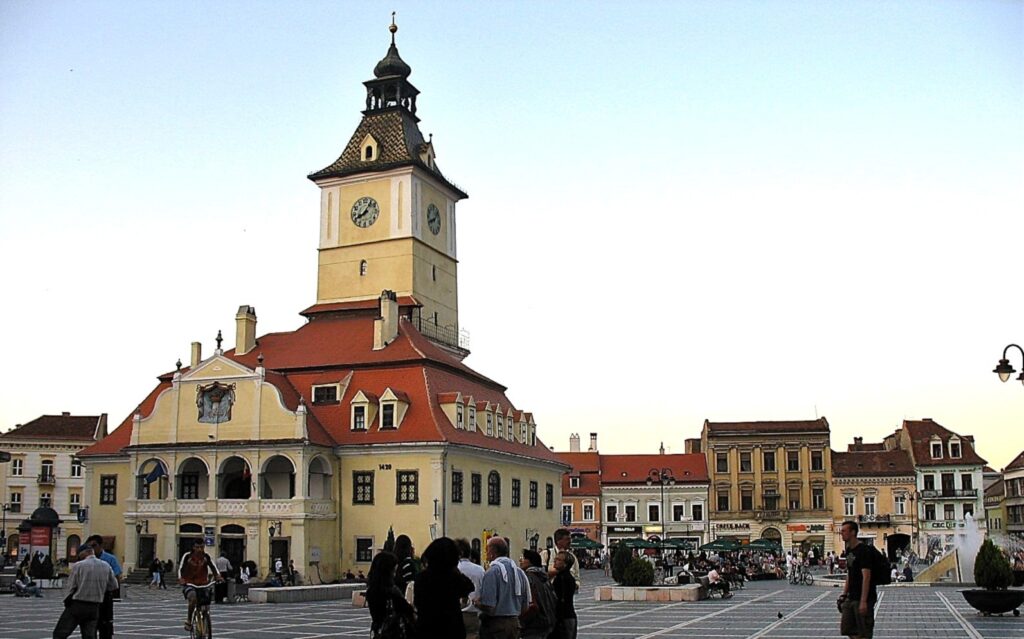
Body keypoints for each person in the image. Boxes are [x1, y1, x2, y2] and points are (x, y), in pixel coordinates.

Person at [413, 537, 475, 638]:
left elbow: (417, 601)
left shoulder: (422, 577)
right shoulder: (453, 577)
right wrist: (455, 570)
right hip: (451, 628)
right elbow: (469, 587)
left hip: (427, 628)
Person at [53, 545, 119, 639]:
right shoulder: (106, 565)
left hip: (78, 604)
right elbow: (113, 585)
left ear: (84, 553)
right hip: (95, 606)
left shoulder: (79, 565)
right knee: (89, 636)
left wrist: (67, 601)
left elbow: (71, 587)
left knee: (60, 633)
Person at [476, 536, 530, 639]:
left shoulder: (492, 572)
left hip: (496, 625)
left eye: (486, 550)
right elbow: (526, 605)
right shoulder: (519, 572)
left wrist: (477, 603)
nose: (485, 553)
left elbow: (489, 607)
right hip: (515, 623)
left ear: (492, 552)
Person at [838, 520, 876, 639]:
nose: (841, 533)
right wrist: (844, 594)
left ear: (853, 532)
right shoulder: (849, 550)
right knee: (847, 628)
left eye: (844, 531)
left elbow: (866, 577)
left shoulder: (864, 551)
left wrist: (864, 601)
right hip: (851, 596)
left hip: (864, 597)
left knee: (864, 631)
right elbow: (850, 572)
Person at [365, 551, 415, 638]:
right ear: (387, 572)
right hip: (394, 632)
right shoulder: (392, 591)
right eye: (394, 571)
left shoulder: (371, 591)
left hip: (378, 632)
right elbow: (407, 610)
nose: (395, 575)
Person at [178, 539, 223, 632]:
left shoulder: (206, 557)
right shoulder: (187, 556)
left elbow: (213, 567)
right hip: (189, 583)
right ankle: (189, 621)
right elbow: (180, 569)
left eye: (202, 547)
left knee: (207, 600)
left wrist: (218, 576)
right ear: (193, 547)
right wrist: (181, 579)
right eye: (197, 547)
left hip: (203, 583)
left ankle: (205, 618)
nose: (199, 549)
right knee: (193, 598)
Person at [85, 535, 121, 639]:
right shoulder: (86, 560)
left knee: (105, 625)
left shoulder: (110, 559)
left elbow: (117, 576)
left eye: (94, 545)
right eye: (89, 546)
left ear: (101, 546)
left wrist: (114, 593)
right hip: (90, 597)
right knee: (90, 626)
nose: (92, 549)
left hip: (105, 596)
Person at [518, 550, 554, 639]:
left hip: (533, 625)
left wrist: (522, 621)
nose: (521, 561)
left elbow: (530, 603)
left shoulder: (529, 578)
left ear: (530, 561)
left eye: (524, 558)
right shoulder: (544, 577)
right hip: (546, 622)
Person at [456, 538, 485, 639]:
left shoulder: (454, 569)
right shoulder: (480, 570)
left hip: (456, 614)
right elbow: (484, 591)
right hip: (474, 614)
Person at [551, 551, 579, 639]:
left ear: (565, 564)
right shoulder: (565, 576)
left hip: (564, 618)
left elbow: (561, 600)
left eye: (558, 559)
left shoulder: (562, 578)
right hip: (568, 616)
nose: (555, 561)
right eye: (555, 558)